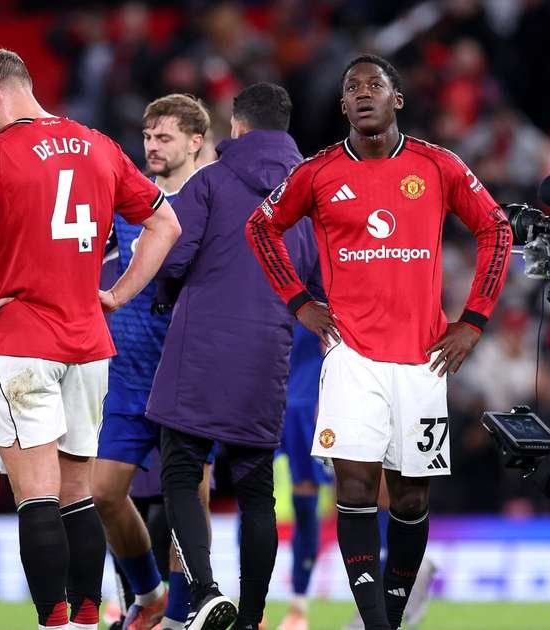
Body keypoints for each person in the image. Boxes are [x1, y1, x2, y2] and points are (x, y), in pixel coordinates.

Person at [247, 54, 512, 630]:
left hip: (423, 362)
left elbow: (496, 227)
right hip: (352, 357)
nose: (363, 93)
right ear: (343, 105)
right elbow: (261, 226)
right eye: (352, 87)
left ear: (398, 99)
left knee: (411, 499)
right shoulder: (318, 172)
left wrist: (474, 320)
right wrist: (299, 301)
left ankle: (389, 614)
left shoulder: (437, 165)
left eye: (375, 85)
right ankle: (375, 622)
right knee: (355, 486)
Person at [0, 49, 181, 630]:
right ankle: (84, 620)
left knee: (37, 495)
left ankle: (53, 622)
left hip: (22, 341)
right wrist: (119, 294)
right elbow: (165, 223)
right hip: (88, 343)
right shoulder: (99, 144)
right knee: (78, 491)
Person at [146, 82, 316, 630]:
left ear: (237, 126)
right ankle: (252, 618)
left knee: (180, 472)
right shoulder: (310, 195)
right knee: (257, 493)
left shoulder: (211, 182)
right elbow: (317, 278)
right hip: (267, 355)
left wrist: (165, 294)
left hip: (199, 350)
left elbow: (173, 257)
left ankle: (203, 590)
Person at [92, 93, 213, 630]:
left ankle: (182, 614)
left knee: (192, 496)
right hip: (125, 376)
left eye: (164, 137)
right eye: (147, 137)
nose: (152, 147)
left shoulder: (211, 203)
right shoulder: (126, 203)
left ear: (195, 141)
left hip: (186, 376)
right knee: (103, 492)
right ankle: (151, 594)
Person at [277, 321, 327, 630]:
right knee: (251, 495)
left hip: (307, 399)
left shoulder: (323, 291)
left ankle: (298, 605)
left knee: (306, 500)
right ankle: (252, 603)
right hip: (263, 392)